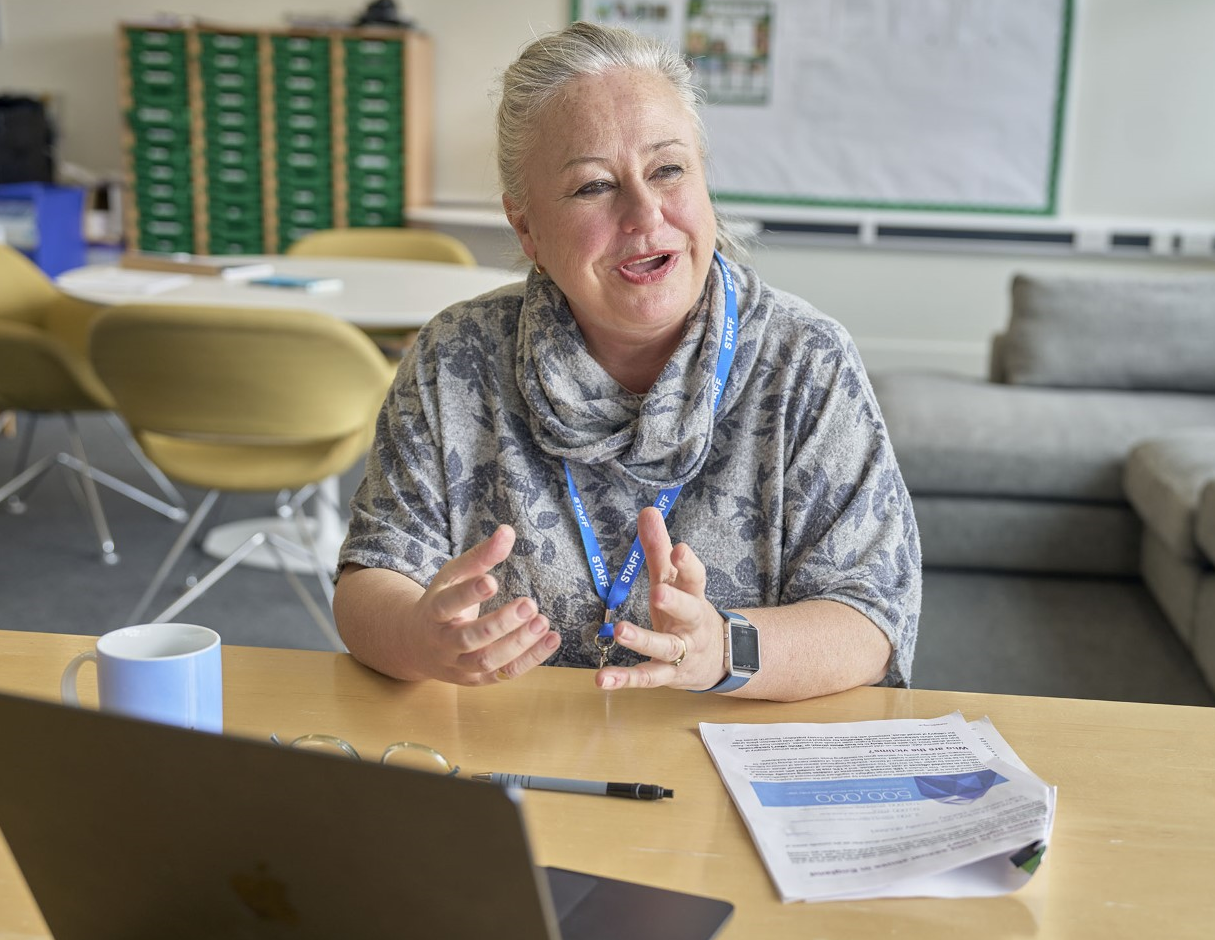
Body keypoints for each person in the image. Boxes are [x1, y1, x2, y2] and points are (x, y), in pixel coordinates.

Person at [333, 21, 920, 701]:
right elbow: (370, 577)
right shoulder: (455, 357)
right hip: (513, 761)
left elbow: (870, 618)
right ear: (526, 228)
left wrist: (723, 648)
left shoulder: (805, 361)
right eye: (592, 187)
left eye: (668, 170)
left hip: (727, 757)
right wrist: (417, 635)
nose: (645, 213)